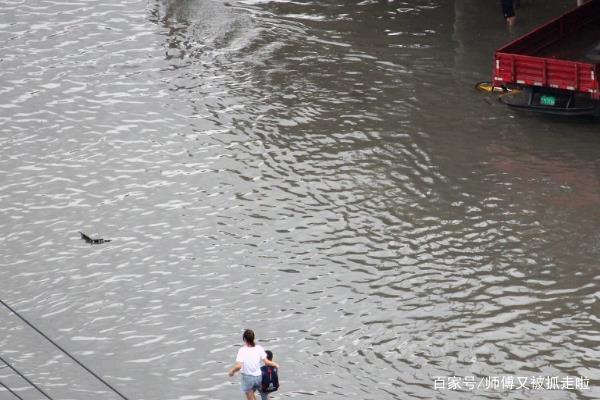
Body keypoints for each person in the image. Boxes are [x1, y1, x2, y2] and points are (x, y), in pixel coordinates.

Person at [229, 329, 280, 400]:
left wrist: (232, 371)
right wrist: (276, 365)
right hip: (258, 377)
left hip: (248, 378)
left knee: (250, 396)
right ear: (253, 338)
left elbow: (239, 366)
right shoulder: (259, 348)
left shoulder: (242, 350)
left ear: (244, 339)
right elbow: (267, 362)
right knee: (264, 394)